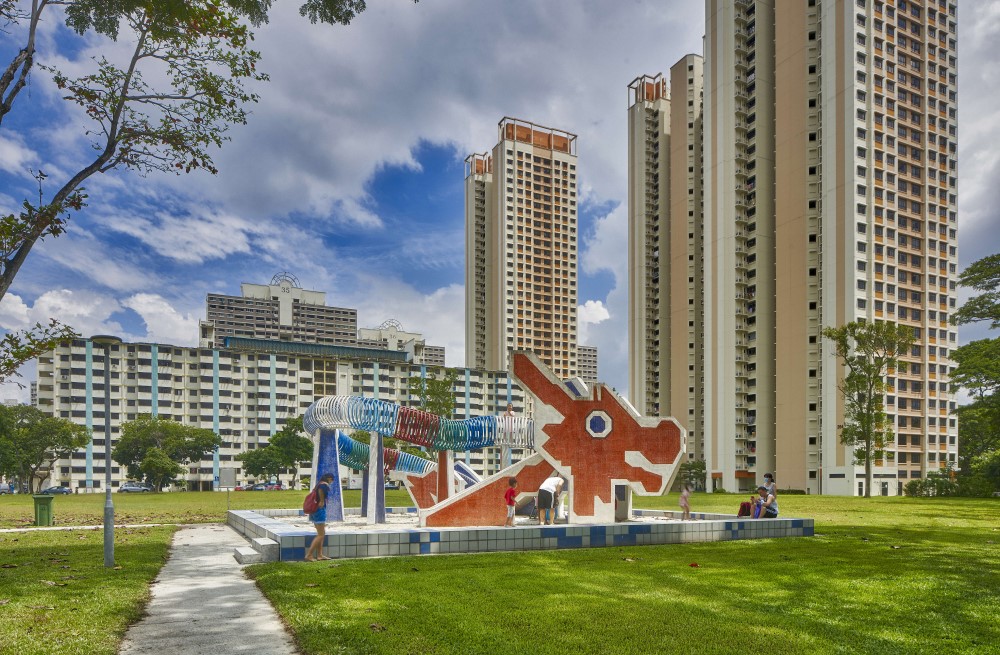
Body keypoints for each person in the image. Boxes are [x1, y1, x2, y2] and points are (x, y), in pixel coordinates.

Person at [304, 473, 334, 561]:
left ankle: (320, 555)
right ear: (329, 478)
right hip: (319, 510)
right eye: (332, 479)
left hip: (314, 511)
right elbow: (321, 491)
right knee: (321, 535)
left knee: (321, 534)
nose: (332, 481)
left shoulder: (318, 484)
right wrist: (321, 501)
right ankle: (309, 555)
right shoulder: (323, 485)